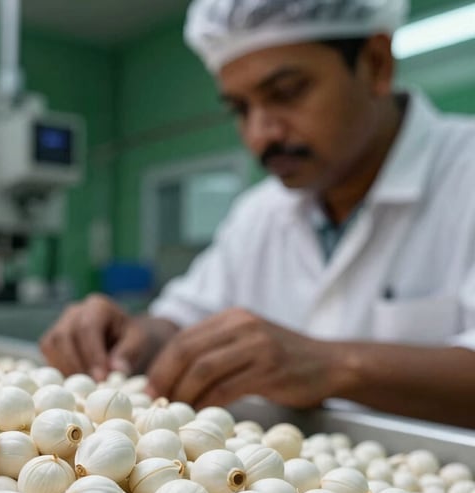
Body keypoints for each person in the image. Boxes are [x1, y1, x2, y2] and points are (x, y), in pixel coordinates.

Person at [40, 0, 475, 428]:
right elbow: (184, 318)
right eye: (240, 109)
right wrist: (133, 337)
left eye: (287, 93)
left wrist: (335, 366)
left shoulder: (464, 172)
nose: (260, 134)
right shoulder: (260, 211)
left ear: (377, 64)